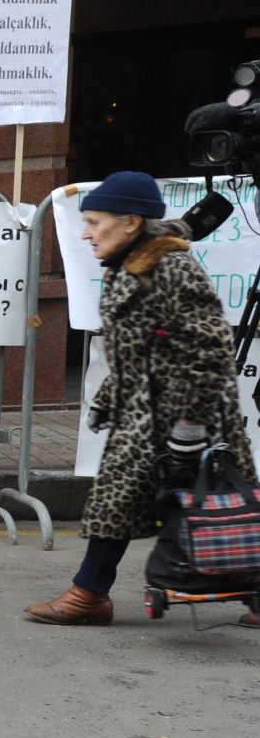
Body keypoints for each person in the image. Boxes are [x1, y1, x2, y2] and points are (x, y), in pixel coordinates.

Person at [26, 170, 256, 625]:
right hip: (147, 412)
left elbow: (207, 349)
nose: (86, 233)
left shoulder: (170, 267)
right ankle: (90, 593)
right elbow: (139, 343)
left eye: (95, 221)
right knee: (162, 502)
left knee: (216, 504)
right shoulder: (136, 259)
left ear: (130, 222)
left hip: (183, 414)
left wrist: (188, 430)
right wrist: (111, 396)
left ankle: (88, 594)